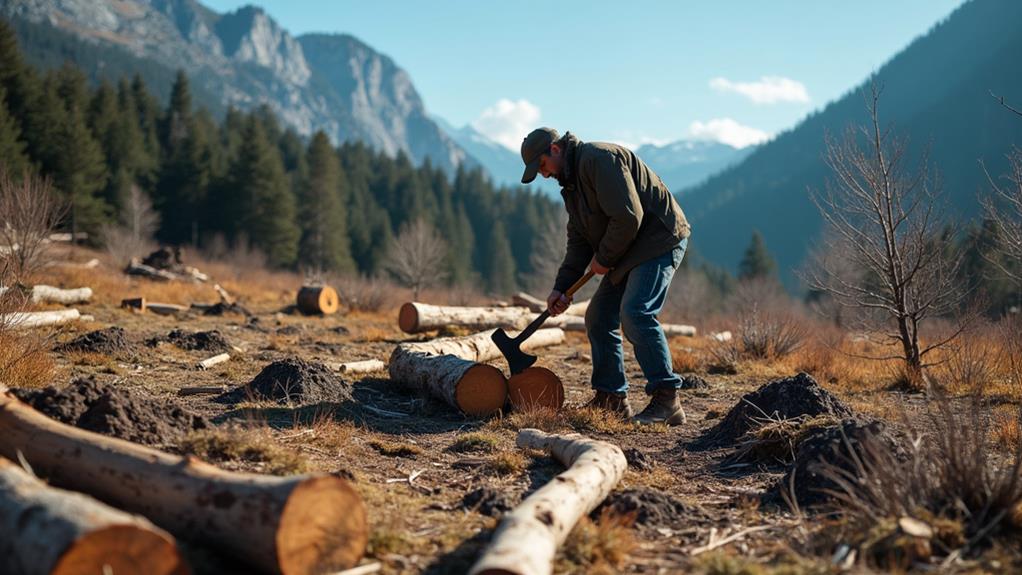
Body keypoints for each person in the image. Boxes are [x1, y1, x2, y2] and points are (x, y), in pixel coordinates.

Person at [521, 127, 692, 425]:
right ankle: (611, 399)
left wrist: (603, 258)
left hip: (658, 240)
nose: (544, 174)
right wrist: (561, 288)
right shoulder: (571, 187)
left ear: (555, 149)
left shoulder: (599, 159)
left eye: (543, 166)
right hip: (628, 250)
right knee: (598, 316)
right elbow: (579, 242)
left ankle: (667, 400)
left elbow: (628, 218)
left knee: (636, 312)